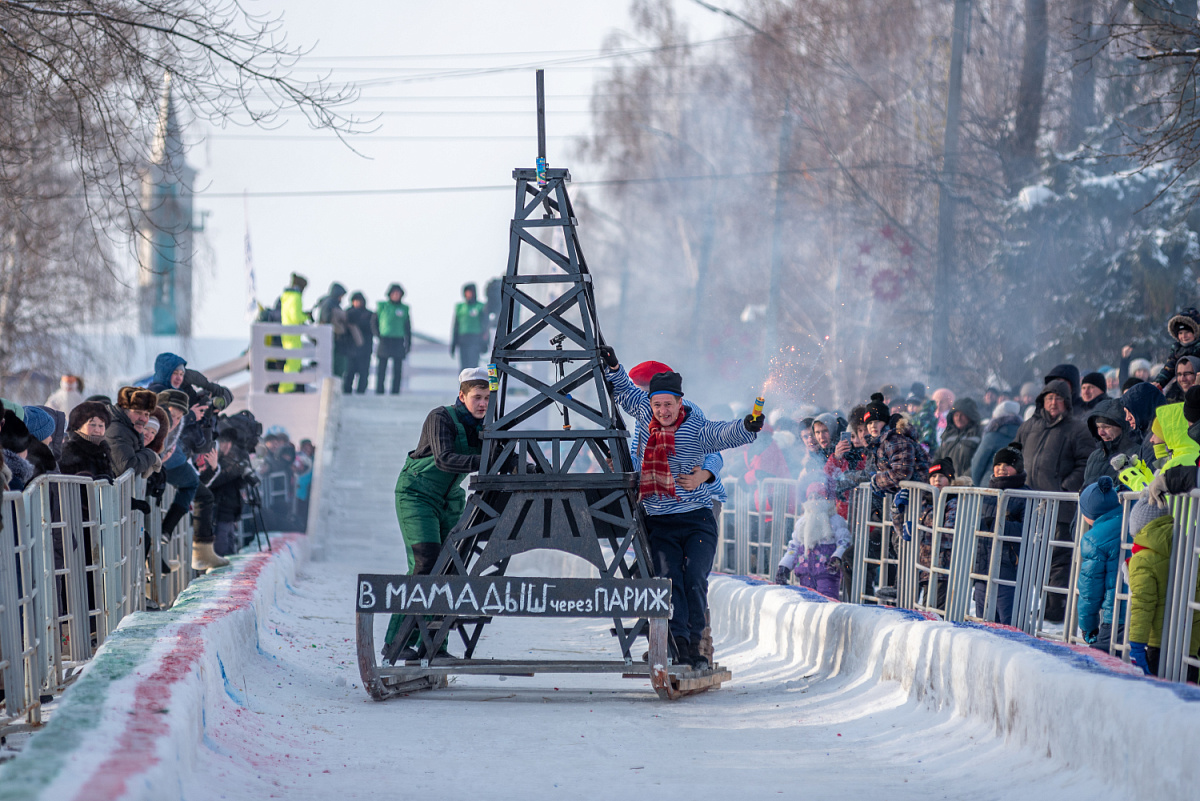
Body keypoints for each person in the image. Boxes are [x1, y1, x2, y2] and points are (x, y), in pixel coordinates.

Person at [602, 346, 761, 670]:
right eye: (651, 400)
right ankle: (669, 643)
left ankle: (697, 646)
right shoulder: (644, 417)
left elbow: (718, 441)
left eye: (664, 402)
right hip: (658, 509)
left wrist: (704, 473)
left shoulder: (691, 418)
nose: (658, 408)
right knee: (663, 577)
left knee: (693, 578)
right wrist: (615, 366)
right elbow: (624, 394)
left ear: (678, 400)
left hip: (698, 503)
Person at [385, 368, 491, 661]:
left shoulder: (488, 426)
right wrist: (490, 459)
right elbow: (445, 459)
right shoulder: (441, 418)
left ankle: (435, 647)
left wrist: (528, 467)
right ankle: (397, 641)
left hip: (449, 499)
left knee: (450, 567)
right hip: (417, 495)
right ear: (462, 395)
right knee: (425, 562)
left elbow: (505, 456)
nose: (483, 404)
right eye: (477, 397)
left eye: (487, 398)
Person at [1012, 378, 1093, 621]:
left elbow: (1085, 463)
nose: (1053, 402)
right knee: (1033, 557)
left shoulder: (1077, 429)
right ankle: (1042, 604)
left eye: (1058, 398)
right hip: (1029, 505)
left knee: (1058, 558)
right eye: (1049, 398)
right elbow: (1012, 454)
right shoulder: (1028, 427)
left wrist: (1065, 487)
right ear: (1042, 401)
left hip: (1060, 506)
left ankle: (1055, 610)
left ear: (1067, 402)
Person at [1125, 499, 1200, 679]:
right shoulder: (1190, 548)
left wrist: (1136, 646)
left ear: (1139, 528)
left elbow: (1143, 606)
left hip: (1159, 647)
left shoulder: (1141, 559)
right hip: (1191, 644)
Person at [973, 443, 1027, 625]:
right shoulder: (986, 493)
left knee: (1007, 622)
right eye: (998, 465)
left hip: (1009, 568)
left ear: (1018, 468)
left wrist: (998, 525)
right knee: (982, 620)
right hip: (983, 567)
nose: (1001, 468)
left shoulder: (1026, 495)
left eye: (1007, 464)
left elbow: (1027, 530)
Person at [774, 482, 849, 598]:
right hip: (805, 572)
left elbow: (844, 542)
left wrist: (837, 557)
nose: (814, 501)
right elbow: (794, 546)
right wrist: (784, 566)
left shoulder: (835, 521)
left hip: (827, 572)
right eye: (810, 497)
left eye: (818, 497)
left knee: (826, 601)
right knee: (806, 602)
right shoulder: (802, 523)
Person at [1076, 477, 1124, 652]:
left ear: (1090, 513)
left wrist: (1088, 627)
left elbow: (1090, 592)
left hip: (1117, 615)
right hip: (1148, 610)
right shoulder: (1132, 519)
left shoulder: (1093, 539)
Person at [1082, 397, 1141, 486]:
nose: (1101, 433)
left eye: (1106, 427)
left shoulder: (1136, 455)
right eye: (1098, 427)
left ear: (1122, 428)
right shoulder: (1094, 457)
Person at [105, 387, 161, 479]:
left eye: (146, 414)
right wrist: (152, 456)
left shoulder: (131, 429)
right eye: (138, 412)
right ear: (124, 410)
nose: (143, 419)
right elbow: (127, 468)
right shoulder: (117, 430)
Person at [59, 401, 115, 480]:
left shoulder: (103, 450)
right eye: (92, 424)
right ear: (79, 426)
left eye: (101, 425)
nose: (97, 430)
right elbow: (64, 486)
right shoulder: (70, 451)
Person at [970, 400, 1021, 487]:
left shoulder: (992, 436)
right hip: (1015, 486)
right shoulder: (1024, 435)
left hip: (990, 484)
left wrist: (976, 484)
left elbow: (978, 463)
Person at [374, 283, 412, 395]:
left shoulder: (404, 309)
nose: (396, 295)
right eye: (394, 293)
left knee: (397, 369)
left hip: (398, 340)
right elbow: (374, 322)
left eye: (398, 293)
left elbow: (407, 327)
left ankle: (395, 392)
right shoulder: (382, 306)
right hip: (385, 339)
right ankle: (379, 391)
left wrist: (408, 343)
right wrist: (378, 334)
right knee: (381, 368)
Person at [1151, 307, 1200, 391]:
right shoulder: (1177, 349)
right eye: (1180, 333)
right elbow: (1169, 368)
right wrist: (1159, 383)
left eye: (1187, 332)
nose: (1183, 336)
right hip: (1183, 385)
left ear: (1195, 332)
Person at [933, 397, 982, 479]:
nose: (958, 418)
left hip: (970, 485)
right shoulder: (947, 435)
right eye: (956, 415)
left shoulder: (978, 435)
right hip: (947, 484)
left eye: (962, 415)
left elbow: (979, 462)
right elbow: (938, 459)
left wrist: (963, 479)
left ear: (970, 416)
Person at [450, 282, 488, 369]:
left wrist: (485, 342)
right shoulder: (460, 307)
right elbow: (455, 326)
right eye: (466, 292)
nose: (468, 294)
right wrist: (453, 344)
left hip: (475, 340)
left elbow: (485, 326)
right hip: (463, 340)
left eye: (470, 292)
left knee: (473, 366)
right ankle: (463, 382)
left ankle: (474, 382)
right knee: (464, 367)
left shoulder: (480, 307)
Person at [343, 291, 374, 394]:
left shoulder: (369, 315)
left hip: (365, 349)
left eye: (359, 301)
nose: (357, 303)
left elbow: (372, 329)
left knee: (363, 373)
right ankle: (347, 392)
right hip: (350, 349)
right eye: (355, 301)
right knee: (349, 373)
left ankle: (361, 393)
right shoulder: (347, 313)